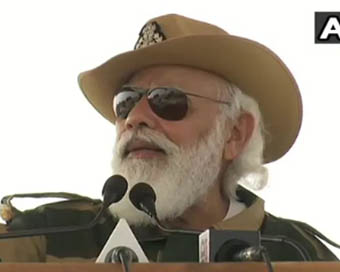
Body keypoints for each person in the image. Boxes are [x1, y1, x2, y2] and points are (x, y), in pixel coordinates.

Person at [0, 13, 338, 262]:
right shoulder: (46, 237)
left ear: (234, 134)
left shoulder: (299, 252)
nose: (135, 119)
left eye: (167, 100)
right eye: (126, 103)